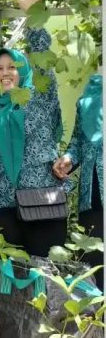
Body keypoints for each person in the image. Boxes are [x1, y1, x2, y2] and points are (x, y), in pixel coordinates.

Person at [0, 0, 70, 258]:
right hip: (3, 204)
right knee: (7, 277)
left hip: (42, 201)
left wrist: (33, 17)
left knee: (45, 275)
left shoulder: (39, 97)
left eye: (11, 67)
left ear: (22, 70)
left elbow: (43, 64)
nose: (4, 73)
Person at [53, 70, 103, 289]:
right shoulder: (88, 97)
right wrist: (68, 159)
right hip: (91, 198)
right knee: (94, 270)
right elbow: (78, 143)